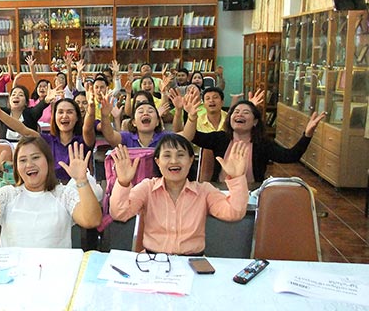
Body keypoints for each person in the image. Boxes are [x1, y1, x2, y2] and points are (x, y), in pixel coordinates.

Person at [110, 134, 249, 255]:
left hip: (192, 262)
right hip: (152, 261)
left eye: (180, 155)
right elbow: (119, 214)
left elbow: (234, 212)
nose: (174, 161)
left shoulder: (204, 191)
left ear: (190, 160)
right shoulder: (147, 188)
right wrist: (123, 182)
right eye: (167, 155)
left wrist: (237, 177)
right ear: (157, 161)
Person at [0, 135, 101, 248]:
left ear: (48, 161)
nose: (29, 164)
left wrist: (81, 180)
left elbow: (92, 220)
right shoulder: (8, 194)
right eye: (23, 160)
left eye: (35, 157)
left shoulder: (64, 194)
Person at [189, 100, 326, 182]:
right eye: (236, 112)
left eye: (246, 112)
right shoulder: (219, 138)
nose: (239, 114)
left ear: (255, 121)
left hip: (252, 193)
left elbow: (291, 156)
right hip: (221, 191)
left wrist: (307, 134)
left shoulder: (263, 144)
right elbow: (192, 136)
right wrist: (189, 115)